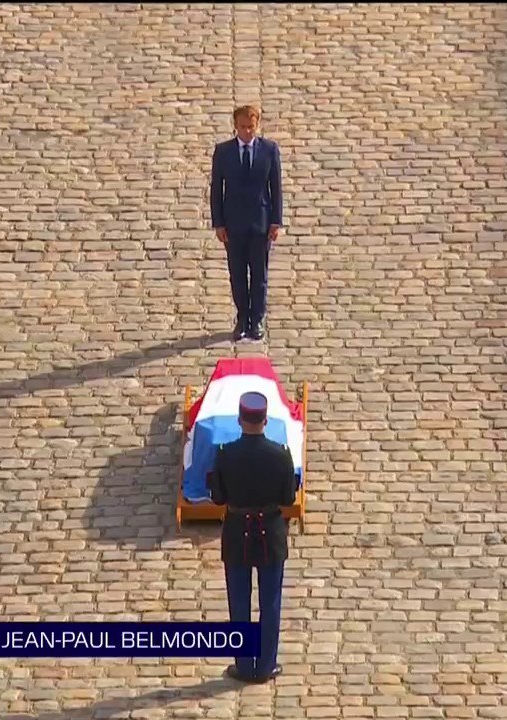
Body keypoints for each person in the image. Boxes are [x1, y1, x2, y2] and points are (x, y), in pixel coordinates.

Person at [208, 391, 297, 683]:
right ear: (265, 420)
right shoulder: (280, 453)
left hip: (237, 534)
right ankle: (266, 664)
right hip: (270, 532)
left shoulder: (225, 453)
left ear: (239, 420)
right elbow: (287, 497)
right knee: (270, 602)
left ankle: (245, 666)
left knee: (240, 602)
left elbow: (218, 498)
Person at [209, 105, 284, 342]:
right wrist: (218, 223)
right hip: (234, 224)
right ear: (235, 126)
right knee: (238, 274)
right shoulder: (223, 152)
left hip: (260, 222)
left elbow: (276, 187)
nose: (247, 132)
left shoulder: (269, 150)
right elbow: (216, 190)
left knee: (259, 274)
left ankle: (258, 318)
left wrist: (276, 221)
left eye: (251, 127)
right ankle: (242, 318)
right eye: (243, 127)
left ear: (257, 125)